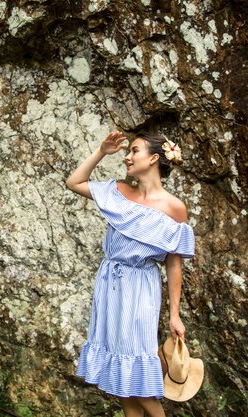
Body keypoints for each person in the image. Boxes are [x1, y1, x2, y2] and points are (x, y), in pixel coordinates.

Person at [66, 131, 195, 417]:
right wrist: (101, 152)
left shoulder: (174, 208)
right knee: (116, 380)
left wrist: (175, 314)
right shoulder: (120, 191)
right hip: (109, 283)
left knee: (139, 384)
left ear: (153, 158)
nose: (127, 156)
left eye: (134, 150)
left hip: (140, 287)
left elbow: (174, 264)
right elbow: (74, 182)